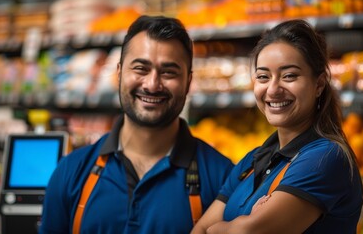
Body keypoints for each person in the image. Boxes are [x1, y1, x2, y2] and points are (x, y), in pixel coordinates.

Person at [39, 15, 234, 234]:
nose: (152, 84)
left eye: (169, 72)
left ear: (188, 82)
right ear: (119, 73)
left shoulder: (221, 177)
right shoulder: (72, 172)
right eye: (141, 68)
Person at [191, 19, 363, 234]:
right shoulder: (252, 160)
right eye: (263, 76)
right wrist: (233, 226)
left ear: (318, 84)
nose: (272, 89)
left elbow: (249, 232)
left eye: (289, 76)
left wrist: (220, 228)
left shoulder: (326, 157)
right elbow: (199, 230)